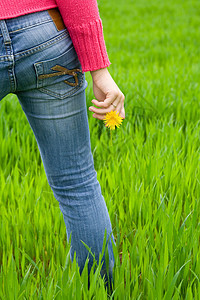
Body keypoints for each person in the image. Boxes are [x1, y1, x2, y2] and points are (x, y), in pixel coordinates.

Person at [0, 0, 125, 287]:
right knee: (77, 184)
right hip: (44, 33)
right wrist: (99, 70)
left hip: (43, 32)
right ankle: (95, 293)